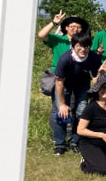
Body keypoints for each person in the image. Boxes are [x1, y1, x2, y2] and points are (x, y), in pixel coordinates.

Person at [37, 10, 89, 151]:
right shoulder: (58, 39)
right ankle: (59, 142)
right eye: (72, 26)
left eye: (78, 27)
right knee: (60, 109)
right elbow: (41, 35)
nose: (75, 29)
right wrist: (54, 23)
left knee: (79, 110)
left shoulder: (84, 43)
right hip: (60, 78)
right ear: (66, 28)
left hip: (79, 78)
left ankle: (74, 141)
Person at [52, 31, 106, 155]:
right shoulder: (65, 59)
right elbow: (59, 82)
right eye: (79, 46)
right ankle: (59, 144)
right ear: (73, 46)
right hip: (64, 84)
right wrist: (62, 104)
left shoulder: (93, 57)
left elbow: (95, 81)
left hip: (82, 85)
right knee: (62, 113)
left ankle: (75, 142)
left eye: (86, 46)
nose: (83, 49)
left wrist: (100, 73)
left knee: (81, 113)